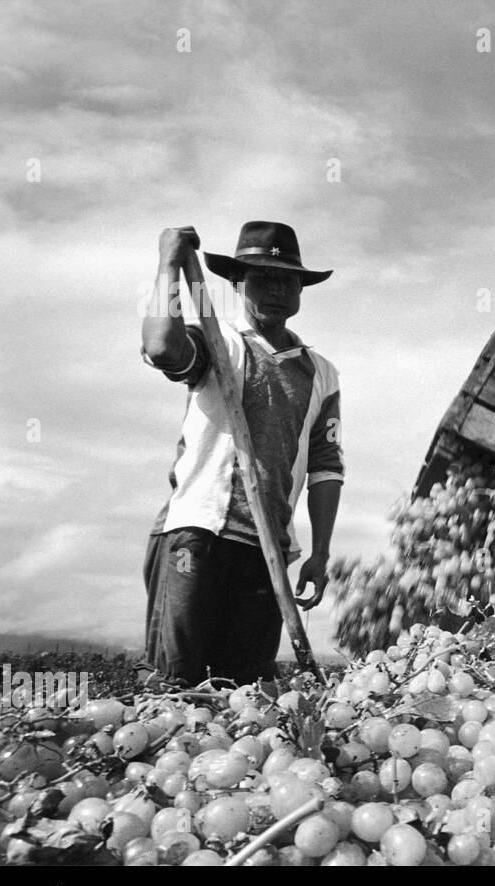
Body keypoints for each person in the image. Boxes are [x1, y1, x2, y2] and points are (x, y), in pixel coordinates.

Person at [138, 221, 344, 686]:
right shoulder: (218, 341)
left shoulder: (322, 373)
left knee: (248, 694)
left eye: (286, 280)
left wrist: (321, 553)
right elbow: (160, 345)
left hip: (265, 550)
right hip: (198, 536)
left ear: (300, 291)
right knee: (176, 685)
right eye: (262, 278)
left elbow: (326, 467)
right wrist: (169, 263)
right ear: (239, 283)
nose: (275, 290)